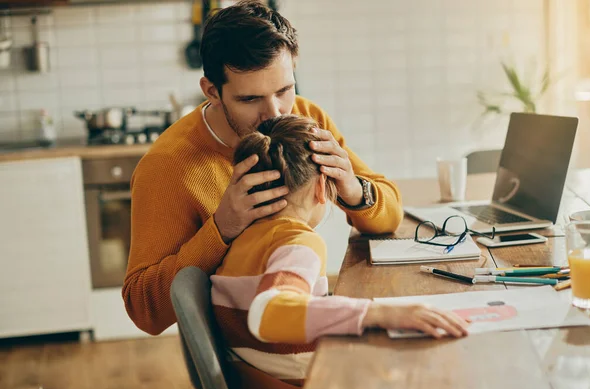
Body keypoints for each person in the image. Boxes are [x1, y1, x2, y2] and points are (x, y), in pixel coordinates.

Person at [123, 0, 402, 336]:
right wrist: (221, 229)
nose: (276, 113)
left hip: (302, 324)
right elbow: (143, 311)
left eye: (284, 90)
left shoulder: (306, 117)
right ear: (212, 91)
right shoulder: (167, 167)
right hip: (250, 365)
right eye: (250, 99)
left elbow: (392, 214)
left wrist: (356, 190)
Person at [212, 114, 469, 389]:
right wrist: (379, 313)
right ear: (323, 188)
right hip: (307, 387)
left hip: (258, 382)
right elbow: (269, 313)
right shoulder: (298, 243)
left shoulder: (240, 238)